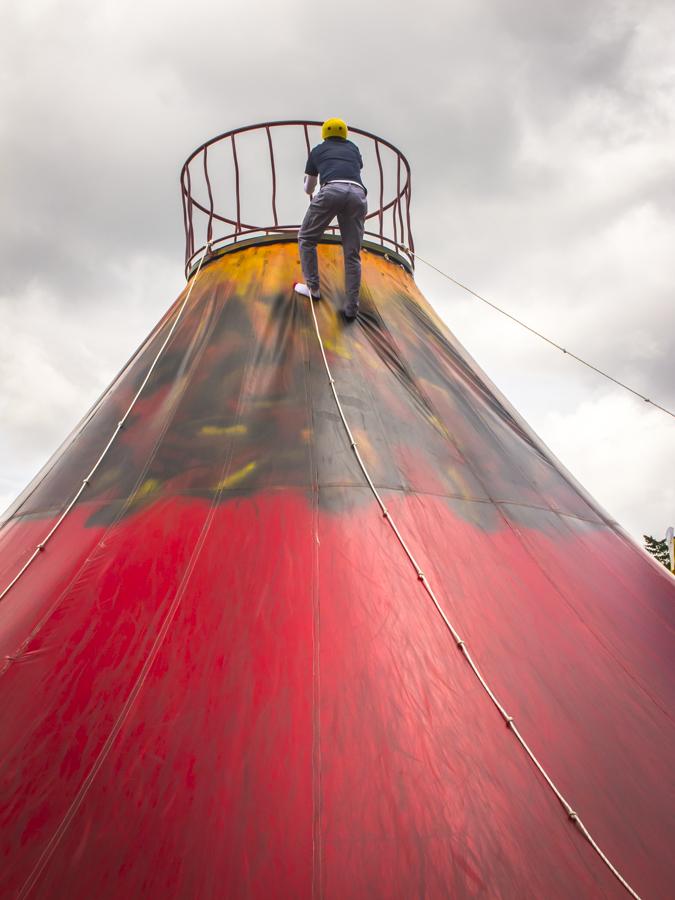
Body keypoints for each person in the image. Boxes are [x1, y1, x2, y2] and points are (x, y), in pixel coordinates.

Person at [295, 118, 368, 321]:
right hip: (357, 193)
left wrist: (307, 186)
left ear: (324, 135)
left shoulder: (318, 151)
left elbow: (309, 187)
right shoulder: (353, 149)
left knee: (307, 238)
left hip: (332, 190)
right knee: (352, 253)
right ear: (344, 134)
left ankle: (313, 289)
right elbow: (356, 168)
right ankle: (352, 308)